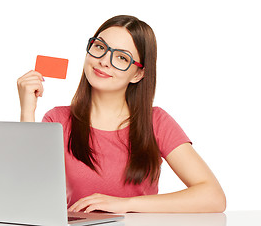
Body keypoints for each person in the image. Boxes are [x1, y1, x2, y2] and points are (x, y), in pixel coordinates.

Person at [17, 15, 226, 213]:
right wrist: (27, 110)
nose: (104, 61)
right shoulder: (57, 119)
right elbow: (30, 194)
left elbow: (213, 196)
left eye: (121, 57)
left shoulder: (156, 121)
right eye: (99, 47)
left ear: (138, 74)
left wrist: (126, 204)